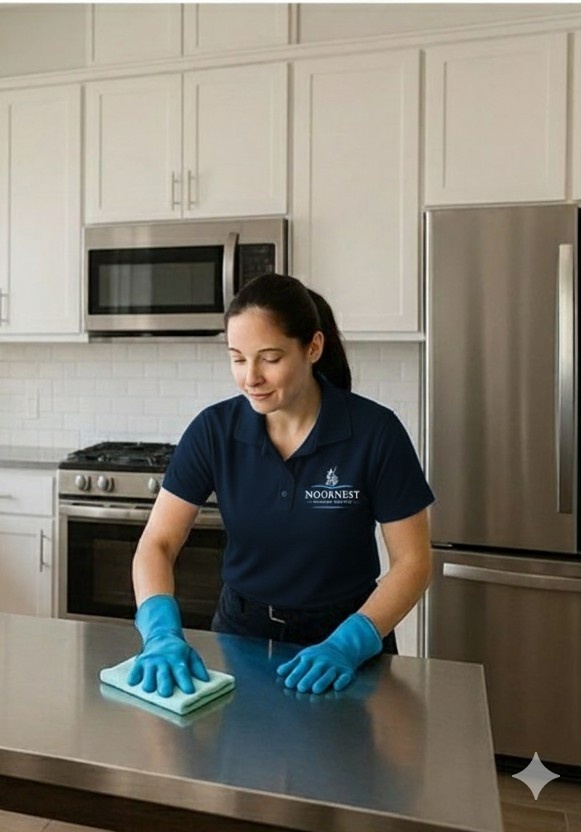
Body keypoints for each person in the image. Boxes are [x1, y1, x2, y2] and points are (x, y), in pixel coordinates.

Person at [129, 273, 434, 697]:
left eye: (269, 358)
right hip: (239, 637)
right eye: (237, 358)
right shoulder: (214, 431)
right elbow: (158, 542)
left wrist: (348, 645)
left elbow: (414, 562)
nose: (250, 377)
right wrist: (160, 631)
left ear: (313, 347)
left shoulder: (375, 432)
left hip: (348, 643)